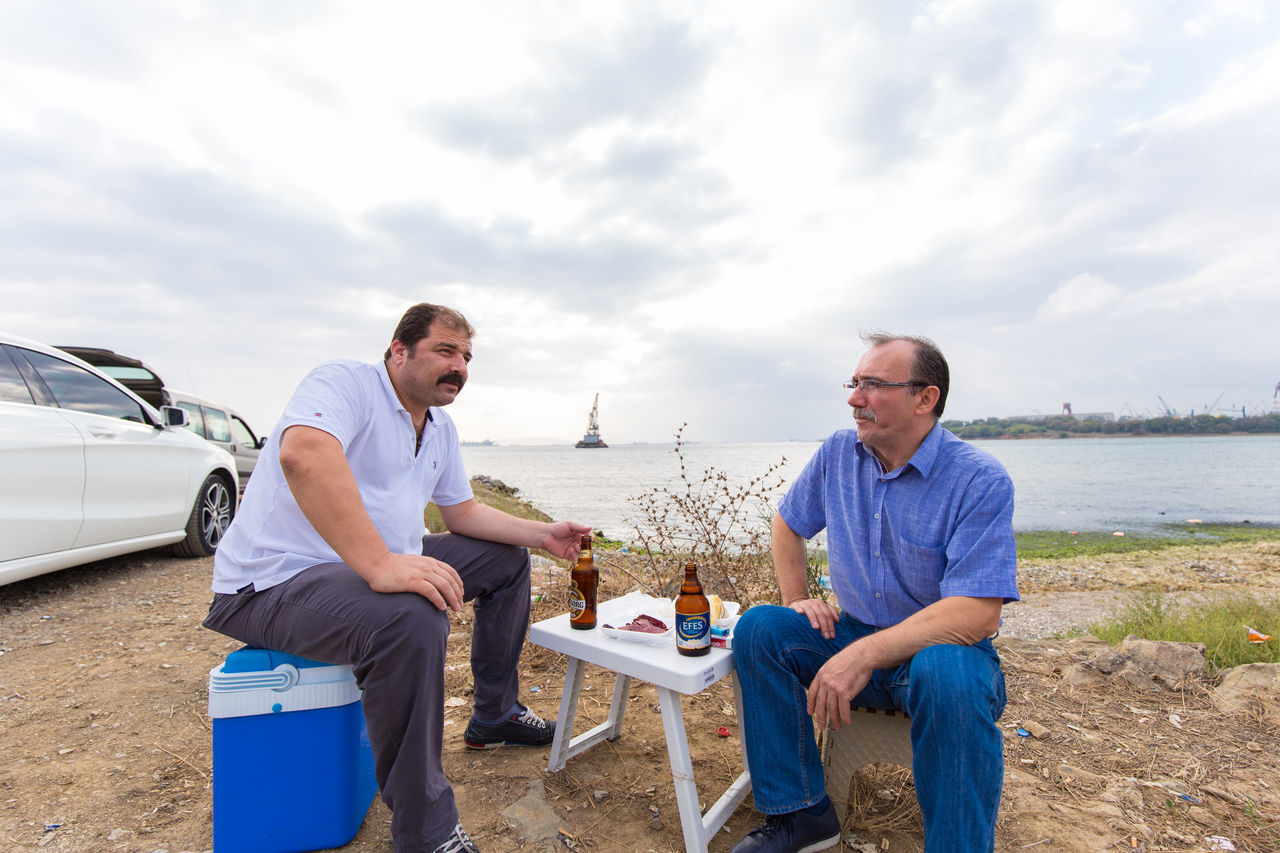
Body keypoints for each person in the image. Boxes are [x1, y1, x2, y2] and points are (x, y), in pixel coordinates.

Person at [203, 303, 590, 853]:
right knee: (410, 616)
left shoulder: (439, 427)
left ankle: (494, 715)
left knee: (505, 559)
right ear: (398, 351)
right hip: (273, 582)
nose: (459, 366)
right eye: (445, 351)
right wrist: (381, 565)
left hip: (363, 567)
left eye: (466, 357)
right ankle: (425, 830)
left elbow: (461, 514)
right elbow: (304, 454)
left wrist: (541, 535)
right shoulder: (346, 383)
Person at [730, 332, 1019, 853]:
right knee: (760, 629)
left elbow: (978, 614)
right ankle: (801, 816)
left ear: (924, 399)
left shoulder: (979, 479)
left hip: (942, 654)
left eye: (872, 385)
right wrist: (799, 598)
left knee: (949, 675)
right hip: (853, 631)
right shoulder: (840, 452)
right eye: (854, 382)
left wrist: (864, 654)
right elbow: (787, 524)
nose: (853, 398)